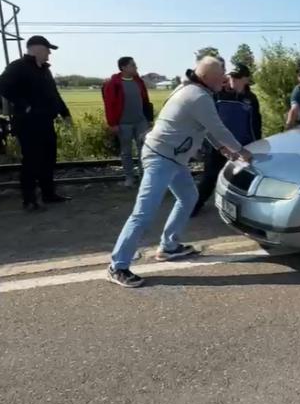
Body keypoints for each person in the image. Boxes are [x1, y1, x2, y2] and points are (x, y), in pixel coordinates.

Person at [106, 56, 252, 288]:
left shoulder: (192, 90)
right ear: (206, 77)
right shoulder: (198, 96)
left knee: (189, 197)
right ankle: (118, 265)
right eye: (219, 76)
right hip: (161, 158)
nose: (223, 80)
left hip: (173, 158)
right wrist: (242, 151)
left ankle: (169, 246)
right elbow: (218, 128)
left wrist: (223, 149)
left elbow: (206, 129)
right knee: (143, 213)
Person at [0, 35, 72, 211]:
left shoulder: (45, 70)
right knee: (32, 161)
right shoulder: (18, 67)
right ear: (36, 48)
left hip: (46, 121)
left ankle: (48, 194)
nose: (49, 54)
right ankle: (29, 200)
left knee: (48, 158)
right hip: (28, 123)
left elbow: (54, 94)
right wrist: (25, 105)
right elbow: (2, 86)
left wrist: (65, 113)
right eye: (47, 50)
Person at [192, 63, 262, 217]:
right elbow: (208, 123)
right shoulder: (218, 95)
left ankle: (244, 211)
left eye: (237, 78)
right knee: (209, 178)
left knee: (241, 180)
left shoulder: (250, 99)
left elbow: (255, 124)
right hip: (219, 146)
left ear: (246, 79)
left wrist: (256, 145)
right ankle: (194, 207)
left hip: (242, 147)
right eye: (231, 77)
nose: (233, 81)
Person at [102, 56, 153, 187]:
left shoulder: (139, 82)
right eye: (133, 65)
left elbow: (146, 101)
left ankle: (144, 177)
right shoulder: (113, 83)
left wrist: (149, 119)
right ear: (123, 67)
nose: (136, 67)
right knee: (126, 152)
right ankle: (129, 177)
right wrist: (112, 124)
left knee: (145, 150)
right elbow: (109, 104)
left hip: (140, 121)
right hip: (123, 124)